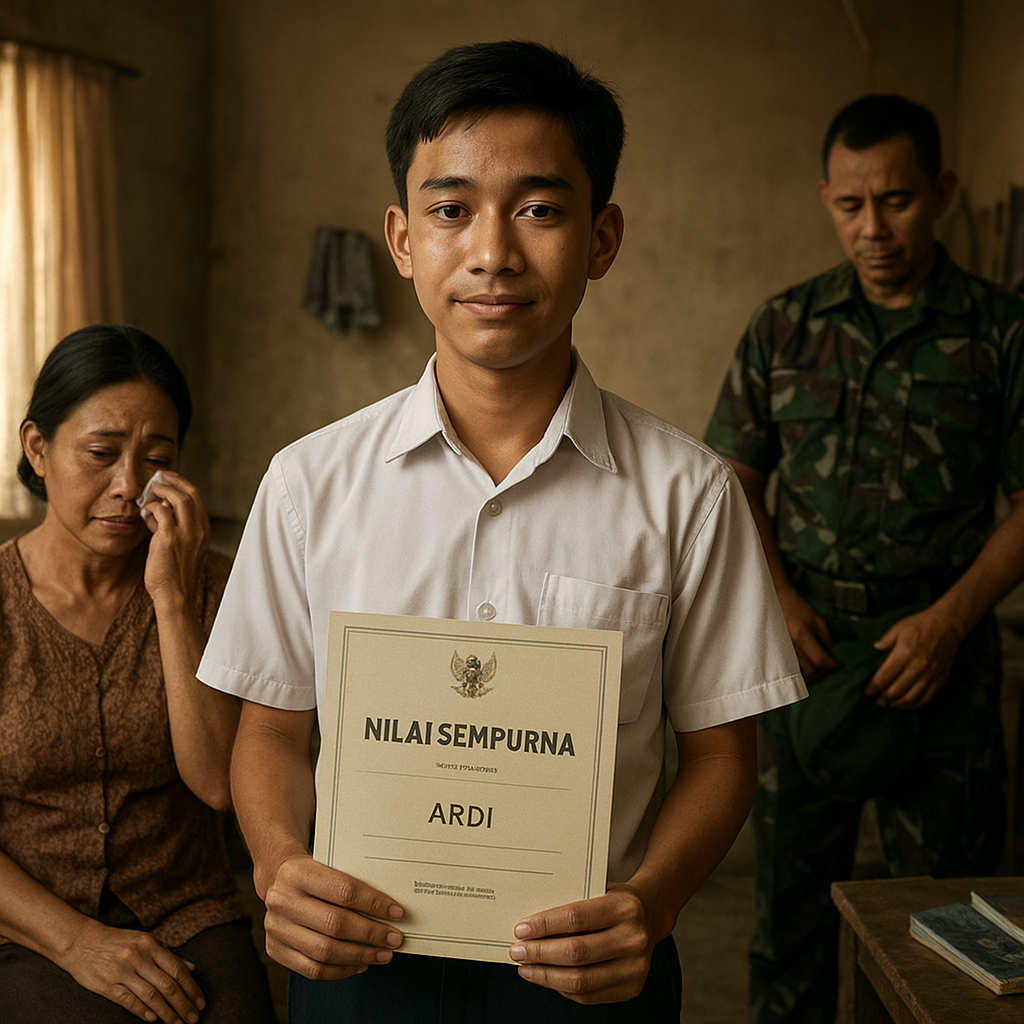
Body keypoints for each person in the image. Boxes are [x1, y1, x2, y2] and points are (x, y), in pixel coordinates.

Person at [197, 40, 805, 1024]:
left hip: (595, 978)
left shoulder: (687, 494)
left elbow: (722, 754)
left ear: (601, 237)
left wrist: (650, 904)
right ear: (401, 238)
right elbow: (271, 729)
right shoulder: (309, 484)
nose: (492, 252)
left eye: (538, 208)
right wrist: (279, 866)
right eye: (450, 210)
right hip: (360, 974)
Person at [703, 93, 1024, 1024]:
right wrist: (779, 602)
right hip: (807, 656)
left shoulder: (1002, 334)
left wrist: (950, 621)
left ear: (944, 193)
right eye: (850, 206)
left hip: (944, 658)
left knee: (951, 931)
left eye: (898, 200)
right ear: (826, 198)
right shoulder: (785, 326)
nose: (873, 228)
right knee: (789, 926)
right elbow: (734, 479)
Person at [0, 324, 277, 1024]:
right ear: (38, 448)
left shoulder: (215, 587)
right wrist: (80, 943)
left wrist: (173, 599)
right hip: (27, 928)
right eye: (99, 454)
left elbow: (216, 783)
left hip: (189, 916)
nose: (128, 487)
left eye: (156, 459)